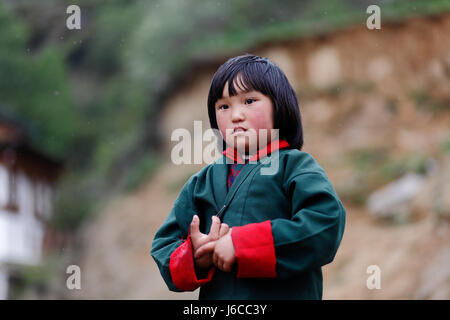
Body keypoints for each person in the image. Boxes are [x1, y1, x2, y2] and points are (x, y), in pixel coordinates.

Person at [151, 54, 346, 299]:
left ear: (279, 106)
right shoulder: (202, 182)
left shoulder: (294, 166)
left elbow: (325, 224)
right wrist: (195, 256)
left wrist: (242, 245)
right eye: (223, 106)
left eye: (249, 100)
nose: (235, 115)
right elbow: (164, 245)